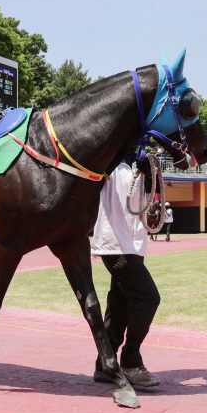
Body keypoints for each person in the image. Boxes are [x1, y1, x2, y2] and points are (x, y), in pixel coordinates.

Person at [90, 152, 161, 388]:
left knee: (119, 304)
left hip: (136, 242)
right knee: (148, 297)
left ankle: (104, 365)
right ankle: (131, 361)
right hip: (115, 243)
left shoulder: (142, 164)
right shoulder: (108, 160)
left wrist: (150, 174)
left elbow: (149, 201)